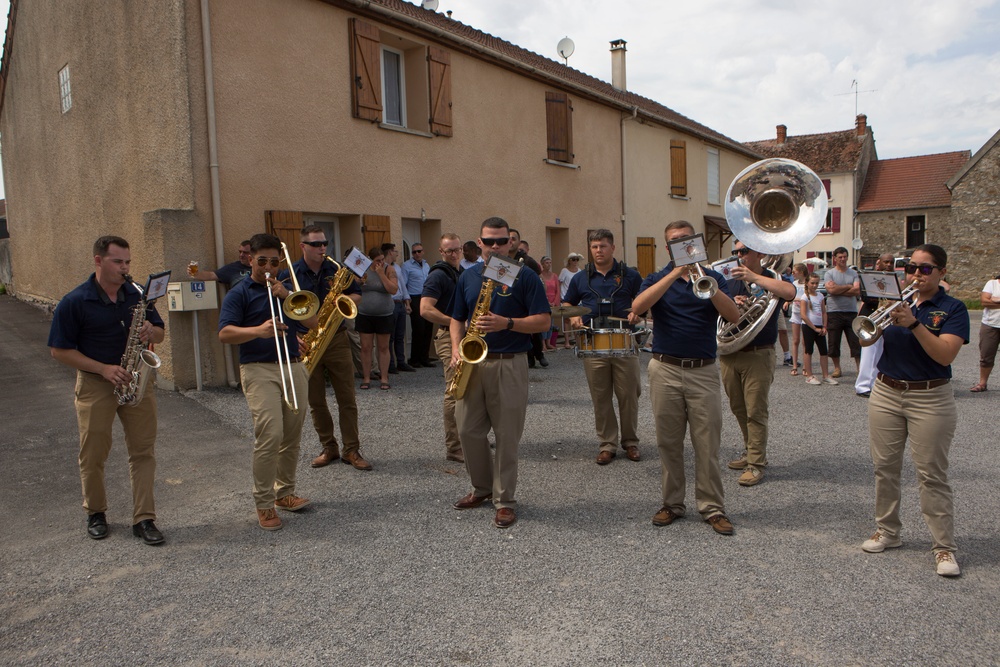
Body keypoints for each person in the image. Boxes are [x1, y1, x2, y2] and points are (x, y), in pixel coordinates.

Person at [49, 236, 167, 545]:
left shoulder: (138, 294)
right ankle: (96, 512)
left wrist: (150, 331)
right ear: (99, 261)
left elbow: (161, 333)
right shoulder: (75, 301)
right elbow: (59, 351)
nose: (125, 268)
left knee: (143, 451)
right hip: (96, 384)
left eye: (128, 261)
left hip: (135, 382)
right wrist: (102, 368)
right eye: (118, 262)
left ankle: (144, 518)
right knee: (93, 453)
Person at [861, 245, 969, 578]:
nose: (916, 275)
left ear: (941, 273)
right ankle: (888, 531)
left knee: (932, 475)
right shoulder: (896, 301)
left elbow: (945, 355)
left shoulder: (952, 308)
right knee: (885, 467)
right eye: (911, 268)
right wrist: (879, 318)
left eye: (925, 269)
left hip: (930, 396)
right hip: (886, 391)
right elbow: (866, 341)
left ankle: (943, 547)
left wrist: (913, 324)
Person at [631, 220, 741, 535]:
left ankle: (712, 508)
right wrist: (674, 275)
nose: (681, 244)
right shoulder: (656, 278)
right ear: (668, 248)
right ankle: (672, 503)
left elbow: (732, 316)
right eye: (674, 241)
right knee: (668, 442)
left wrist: (703, 279)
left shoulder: (713, 277)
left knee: (707, 443)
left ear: (696, 242)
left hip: (703, 370)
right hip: (664, 368)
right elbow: (638, 307)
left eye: (686, 239)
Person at [450, 217, 551, 529]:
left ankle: (504, 500)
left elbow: (544, 322)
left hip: (510, 361)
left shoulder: (526, 278)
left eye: (501, 241)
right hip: (472, 362)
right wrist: (456, 347)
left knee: (507, 436)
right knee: (467, 430)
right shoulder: (468, 278)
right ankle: (481, 488)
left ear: (511, 243)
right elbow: (457, 318)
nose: (495, 247)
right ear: (479, 243)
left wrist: (507, 323)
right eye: (488, 241)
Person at [218, 233, 316, 531]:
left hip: (293, 366)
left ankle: (284, 493)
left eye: (275, 261)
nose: (269, 267)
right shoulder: (240, 292)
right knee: (270, 433)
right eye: (262, 261)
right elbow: (224, 334)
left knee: (292, 433)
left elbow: (313, 323)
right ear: (250, 260)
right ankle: (263, 502)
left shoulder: (286, 289)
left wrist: (287, 296)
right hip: (258, 368)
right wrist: (257, 331)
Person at [282, 226, 371, 472]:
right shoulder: (289, 273)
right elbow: (283, 308)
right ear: (303, 246)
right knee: (315, 400)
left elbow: (357, 295)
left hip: (336, 338)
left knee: (347, 398)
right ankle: (328, 447)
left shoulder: (337, 270)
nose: (322, 248)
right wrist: (292, 337)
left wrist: (341, 301)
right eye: (316, 244)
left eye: (325, 243)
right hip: (305, 340)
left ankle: (351, 449)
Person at [562, 229, 643, 466]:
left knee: (629, 394)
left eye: (603, 246)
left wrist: (638, 313)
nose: (599, 251)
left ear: (613, 248)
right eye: (595, 246)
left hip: (624, 342)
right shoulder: (581, 277)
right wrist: (573, 316)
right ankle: (607, 444)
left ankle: (630, 441)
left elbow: (644, 300)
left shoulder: (630, 275)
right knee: (600, 396)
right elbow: (567, 303)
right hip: (593, 342)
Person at [722, 241, 797, 487]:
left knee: (756, 410)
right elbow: (715, 307)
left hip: (759, 353)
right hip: (731, 352)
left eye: (744, 251)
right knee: (738, 408)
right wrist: (734, 304)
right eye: (736, 252)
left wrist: (754, 277)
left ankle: (756, 463)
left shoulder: (771, 277)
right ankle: (749, 452)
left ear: (760, 253)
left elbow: (790, 293)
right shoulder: (730, 279)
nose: (739, 256)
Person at [420, 233, 465, 462]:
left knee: (471, 389)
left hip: (465, 336)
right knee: (454, 390)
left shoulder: (462, 273)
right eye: (450, 251)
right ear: (441, 252)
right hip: (448, 336)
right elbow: (425, 309)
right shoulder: (438, 275)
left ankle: (468, 438)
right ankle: (454, 447)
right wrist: (454, 320)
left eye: (458, 250)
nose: (455, 254)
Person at [357, 247, 398, 391]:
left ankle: (384, 378)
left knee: (383, 347)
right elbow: (353, 286)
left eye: (382, 259)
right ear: (370, 259)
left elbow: (393, 289)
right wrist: (359, 282)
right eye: (377, 260)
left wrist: (381, 274)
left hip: (384, 314)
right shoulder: (363, 269)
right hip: (365, 313)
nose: (380, 262)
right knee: (366, 347)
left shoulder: (389, 270)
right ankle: (366, 378)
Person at [855, 253, 895, 397]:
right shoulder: (870, 277)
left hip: (887, 319)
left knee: (881, 352)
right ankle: (863, 386)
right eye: (886, 262)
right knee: (869, 353)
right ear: (879, 263)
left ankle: (876, 384)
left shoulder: (895, 280)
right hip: (873, 317)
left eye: (891, 262)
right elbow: (865, 297)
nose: (889, 265)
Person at [507, 229, 546, 368]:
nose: (511, 241)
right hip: (511, 303)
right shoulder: (500, 260)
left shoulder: (528, 261)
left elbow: (540, 280)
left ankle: (540, 355)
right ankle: (528, 357)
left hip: (528, 302)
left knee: (534, 331)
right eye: (508, 238)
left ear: (519, 242)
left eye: (514, 238)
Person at [824, 247, 861, 378]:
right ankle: (837, 368)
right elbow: (831, 291)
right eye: (840, 257)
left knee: (855, 341)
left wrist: (838, 289)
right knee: (834, 341)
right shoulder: (829, 274)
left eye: (845, 256)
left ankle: (859, 368)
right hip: (834, 312)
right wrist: (848, 287)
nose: (843, 259)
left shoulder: (853, 273)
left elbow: (857, 291)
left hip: (851, 311)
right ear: (834, 258)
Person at [382, 242, 415, 374]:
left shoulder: (397, 268)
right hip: (390, 303)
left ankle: (401, 362)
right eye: (395, 251)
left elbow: (402, 285)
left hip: (400, 303)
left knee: (400, 335)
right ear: (390, 252)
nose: (396, 254)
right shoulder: (384, 268)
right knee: (390, 336)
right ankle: (390, 364)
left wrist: (407, 303)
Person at [800, 273, 837, 386]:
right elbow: (803, 315)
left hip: (820, 326)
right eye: (812, 283)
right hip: (809, 326)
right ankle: (809, 375)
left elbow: (824, 312)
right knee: (808, 350)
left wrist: (824, 326)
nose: (815, 285)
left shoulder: (820, 296)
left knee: (823, 351)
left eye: (817, 283)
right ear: (807, 283)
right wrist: (814, 328)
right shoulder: (804, 297)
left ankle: (825, 375)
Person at [403, 243, 435, 368]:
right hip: (414, 298)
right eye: (414, 252)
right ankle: (414, 359)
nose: (417, 254)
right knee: (418, 328)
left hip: (426, 297)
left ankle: (425, 358)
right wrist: (407, 301)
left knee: (428, 328)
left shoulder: (426, 265)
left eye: (419, 251)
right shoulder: (407, 266)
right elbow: (404, 284)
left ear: (423, 252)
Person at [970, 272, 1000, 392]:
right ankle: (982, 383)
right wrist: (990, 300)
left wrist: (995, 299)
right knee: (986, 356)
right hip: (990, 325)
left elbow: (990, 301)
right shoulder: (992, 284)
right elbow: (984, 301)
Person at [188, 240, 253, 287]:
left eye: (245, 252)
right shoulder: (233, 268)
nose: (241, 255)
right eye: (240, 252)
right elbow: (211, 275)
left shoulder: (260, 267)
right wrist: (196, 274)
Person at [558, 252, 585, 348]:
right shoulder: (564, 271)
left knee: (578, 320)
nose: (575, 261)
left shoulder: (579, 271)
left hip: (578, 299)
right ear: (569, 261)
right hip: (566, 298)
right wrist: (559, 296)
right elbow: (559, 283)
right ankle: (567, 341)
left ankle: (578, 341)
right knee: (566, 320)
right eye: (573, 259)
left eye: (577, 259)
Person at [787, 263, 808, 376]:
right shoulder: (794, 284)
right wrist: (787, 302)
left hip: (805, 314)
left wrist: (799, 300)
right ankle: (794, 365)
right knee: (795, 340)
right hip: (795, 313)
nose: (793, 274)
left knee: (805, 341)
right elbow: (790, 296)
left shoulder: (808, 284)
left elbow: (810, 298)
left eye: (795, 272)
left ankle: (805, 366)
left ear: (801, 272)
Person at [539, 255, 561, 351]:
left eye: (550, 263)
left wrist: (555, 302)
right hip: (544, 301)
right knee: (544, 323)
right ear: (542, 264)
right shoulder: (540, 276)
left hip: (553, 302)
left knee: (551, 323)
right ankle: (543, 344)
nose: (549, 265)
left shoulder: (554, 276)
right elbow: (540, 290)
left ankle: (549, 342)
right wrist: (546, 302)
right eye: (547, 263)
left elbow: (557, 290)